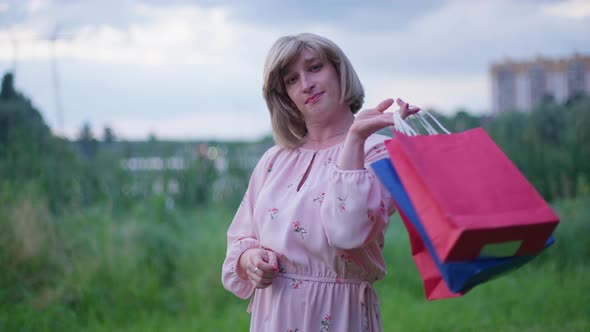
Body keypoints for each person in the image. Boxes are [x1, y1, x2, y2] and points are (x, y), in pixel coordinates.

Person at [221, 32, 420, 332]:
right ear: (284, 96)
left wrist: (355, 139)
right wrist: (251, 260)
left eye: (315, 68)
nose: (306, 84)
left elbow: (349, 232)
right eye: (291, 79)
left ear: (339, 70)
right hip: (273, 317)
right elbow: (241, 238)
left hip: (339, 316)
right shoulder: (275, 160)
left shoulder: (377, 152)